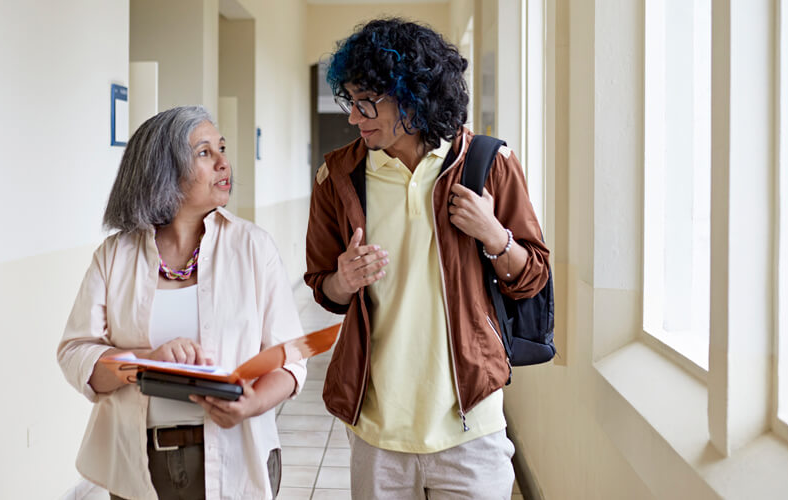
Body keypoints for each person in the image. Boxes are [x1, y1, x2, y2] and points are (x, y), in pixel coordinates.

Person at [304, 19, 551, 500]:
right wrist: (343, 279)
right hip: (378, 431)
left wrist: (494, 235)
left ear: (413, 95)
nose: (354, 117)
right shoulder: (337, 176)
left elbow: (533, 278)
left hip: (472, 428)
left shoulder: (490, 164)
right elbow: (323, 288)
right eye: (349, 101)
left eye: (366, 102)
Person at [58, 106, 305, 500]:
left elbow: (291, 357)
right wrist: (146, 361)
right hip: (139, 462)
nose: (224, 162)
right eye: (205, 153)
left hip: (238, 455)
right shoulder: (115, 256)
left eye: (221, 148)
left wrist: (252, 403)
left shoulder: (253, 247)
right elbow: (76, 354)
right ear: (163, 171)